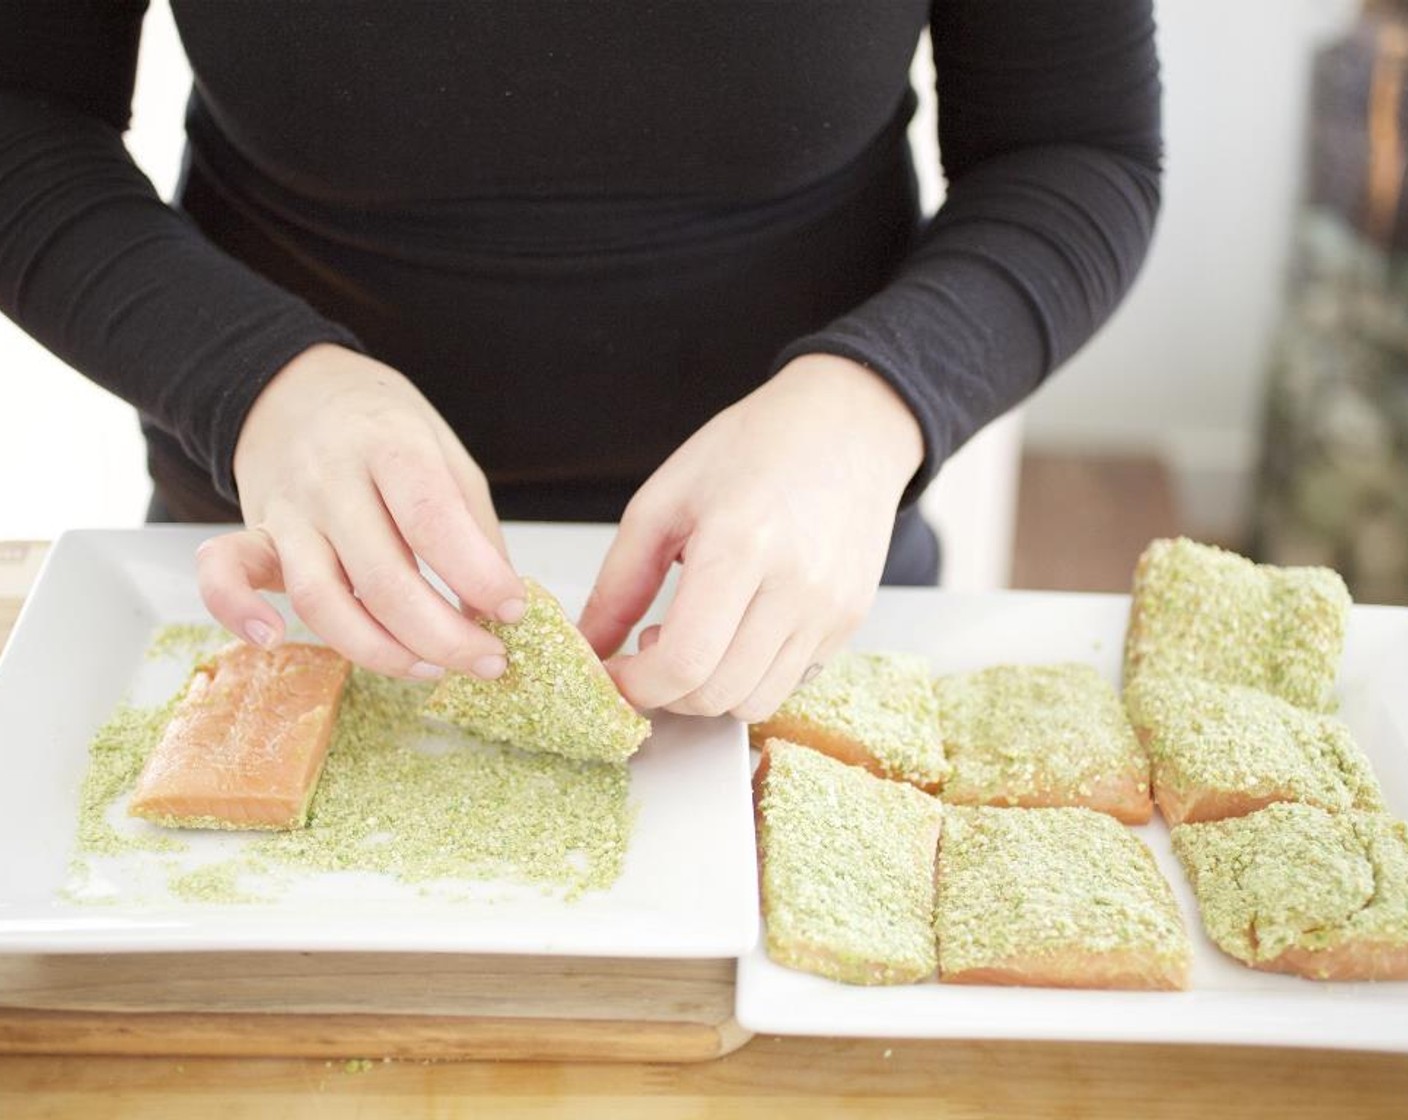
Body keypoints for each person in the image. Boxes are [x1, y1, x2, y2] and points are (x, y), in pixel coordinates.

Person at [0, 2, 1161, 720]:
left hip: (786, 593)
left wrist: (874, 401)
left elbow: (1075, 148)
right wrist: (254, 379)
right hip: (294, 577)